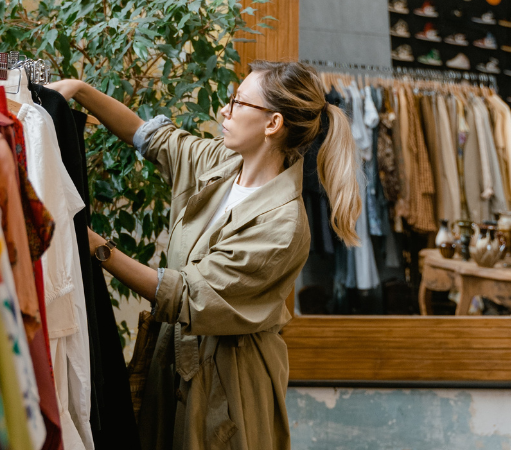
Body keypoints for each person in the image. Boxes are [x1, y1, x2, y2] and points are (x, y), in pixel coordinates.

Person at [46, 60, 361, 450]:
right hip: (176, 360)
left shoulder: (283, 227)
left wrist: (93, 244)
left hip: (228, 383)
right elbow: (149, 137)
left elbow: (187, 294)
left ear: (272, 124)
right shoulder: (224, 164)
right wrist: (80, 89)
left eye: (238, 102)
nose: (224, 110)